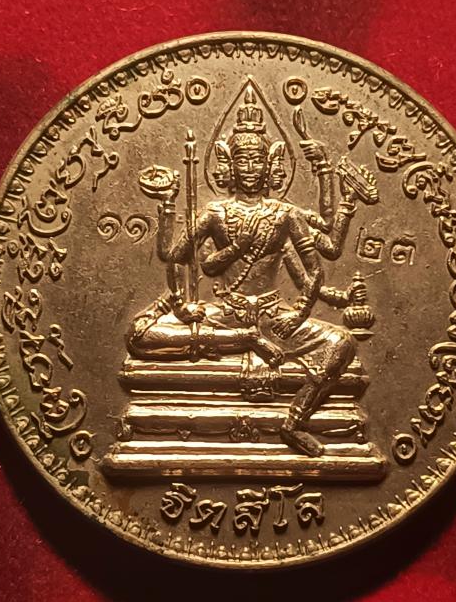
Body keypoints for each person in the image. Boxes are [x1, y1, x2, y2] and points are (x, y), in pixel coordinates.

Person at [127, 85, 364, 457]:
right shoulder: (216, 212)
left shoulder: (284, 213)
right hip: (226, 314)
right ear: (228, 165)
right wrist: (168, 204)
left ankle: (293, 423)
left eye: (257, 161)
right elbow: (174, 255)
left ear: (271, 165)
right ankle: (244, 339)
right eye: (242, 161)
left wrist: (299, 313)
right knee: (139, 335)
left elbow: (317, 270)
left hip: (273, 316)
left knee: (342, 343)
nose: (250, 169)